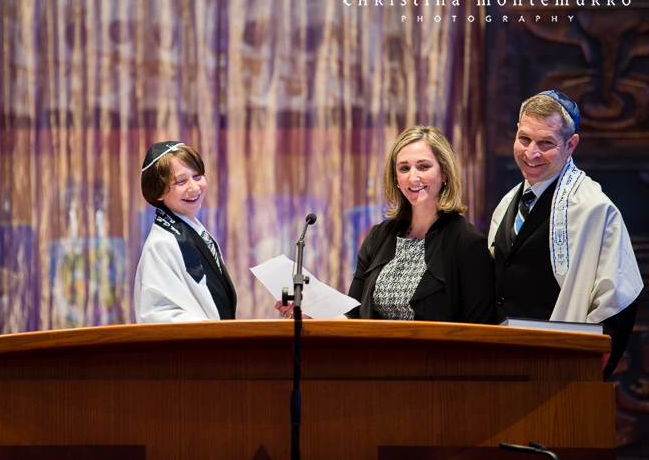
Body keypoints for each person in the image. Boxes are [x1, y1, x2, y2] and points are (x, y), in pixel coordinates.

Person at [488, 90, 642, 378]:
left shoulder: (595, 209)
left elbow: (618, 303)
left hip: (560, 373)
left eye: (546, 143)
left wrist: (584, 374)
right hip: (503, 366)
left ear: (570, 145)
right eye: (524, 139)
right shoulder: (507, 203)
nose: (531, 153)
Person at [277, 125, 495, 323]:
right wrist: (309, 315)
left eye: (423, 166)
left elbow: (479, 330)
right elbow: (355, 313)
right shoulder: (378, 236)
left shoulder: (467, 243)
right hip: (375, 362)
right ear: (396, 179)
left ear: (444, 173)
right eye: (404, 168)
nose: (413, 177)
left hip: (435, 363)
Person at [134, 141, 237, 323]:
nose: (194, 187)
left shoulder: (198, 233)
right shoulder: (161, 245)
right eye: (181, 181)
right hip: (196, 348)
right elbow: (157, 315)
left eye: (197, 176)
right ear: (158, 191)